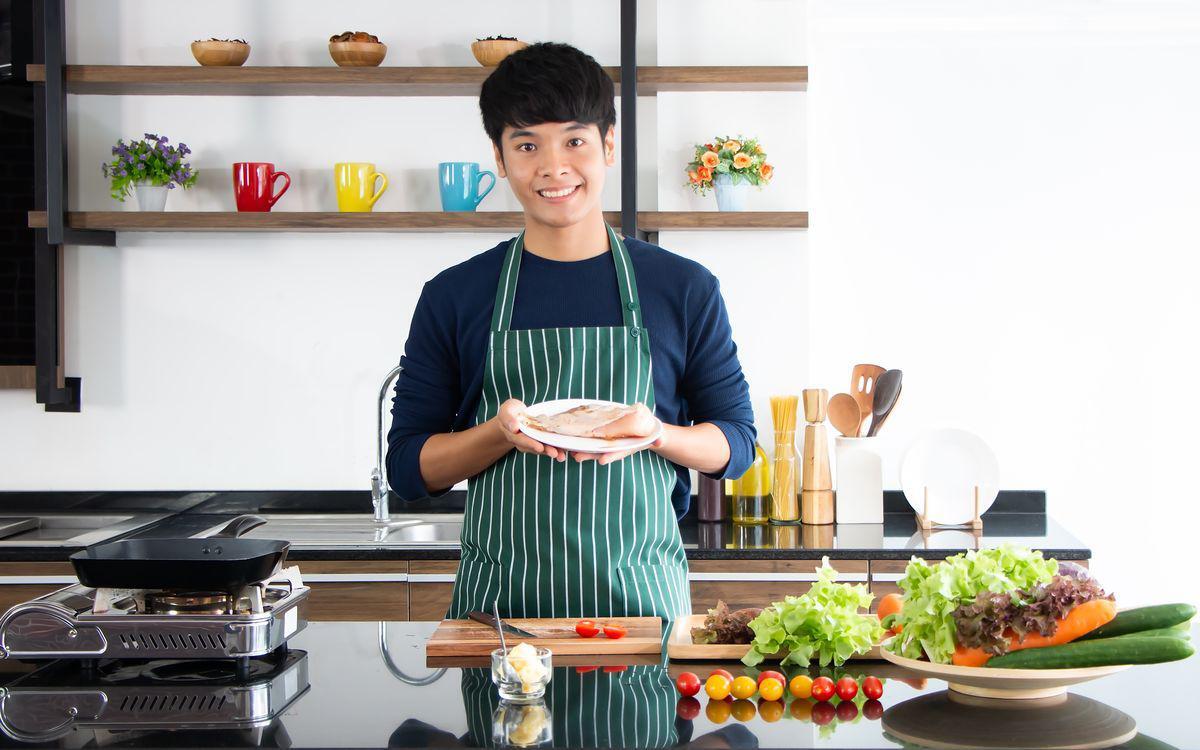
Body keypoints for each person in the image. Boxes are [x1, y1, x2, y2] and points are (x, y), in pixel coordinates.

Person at [387, 42, 755, 621]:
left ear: (609, 145)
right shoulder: (455, 294)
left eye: (574, 140)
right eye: (527, 144)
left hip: (642, 615)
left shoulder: (682, 288)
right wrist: (499, 433)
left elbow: (736, 445)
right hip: (502, 623)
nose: (553, 167)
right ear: (500, 158)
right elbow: (409, 466)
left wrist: (655, 434)